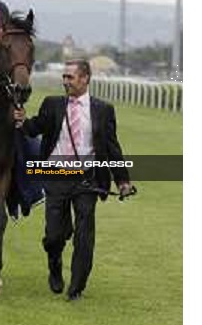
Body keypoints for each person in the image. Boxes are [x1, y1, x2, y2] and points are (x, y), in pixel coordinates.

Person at [14, 59, 132, 301]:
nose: (65, 81)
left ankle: (77, 287)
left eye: (70, 77)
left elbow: (112, 148)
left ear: (86, 78)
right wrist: (21, 120)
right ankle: (54, 262)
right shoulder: (52, 105)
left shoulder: (103, 110)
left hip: (87, 180)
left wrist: (122, 181)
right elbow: (34, 128)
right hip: (55, 175)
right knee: (55, 235)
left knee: (84, 235)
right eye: (64, 77)